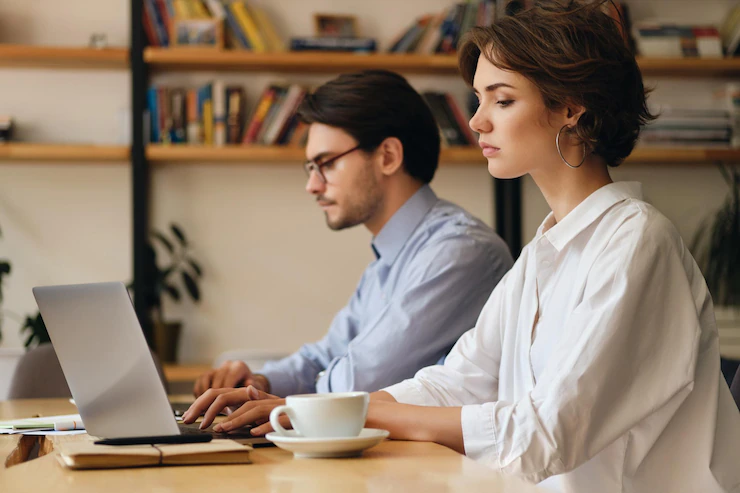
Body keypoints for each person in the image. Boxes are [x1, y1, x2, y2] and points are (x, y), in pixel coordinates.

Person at [184, 2, 740, 492]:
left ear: (572, 107)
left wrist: (328, 414)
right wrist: (299, 410)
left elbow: (545, 437)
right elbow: (455, 380)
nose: (476, 122)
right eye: (478, 100)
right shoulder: (542, 254)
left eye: (500, 100)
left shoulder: (637, 241)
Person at [191, 69, 513, 398]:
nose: (312, 185)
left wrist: (274, 401)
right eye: (312, 168)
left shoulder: (459, 252)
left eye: (327, 163)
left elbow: (359, 383)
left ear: (388, 156)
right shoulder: (385, 263)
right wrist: (260, 382)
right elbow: (324, 356)